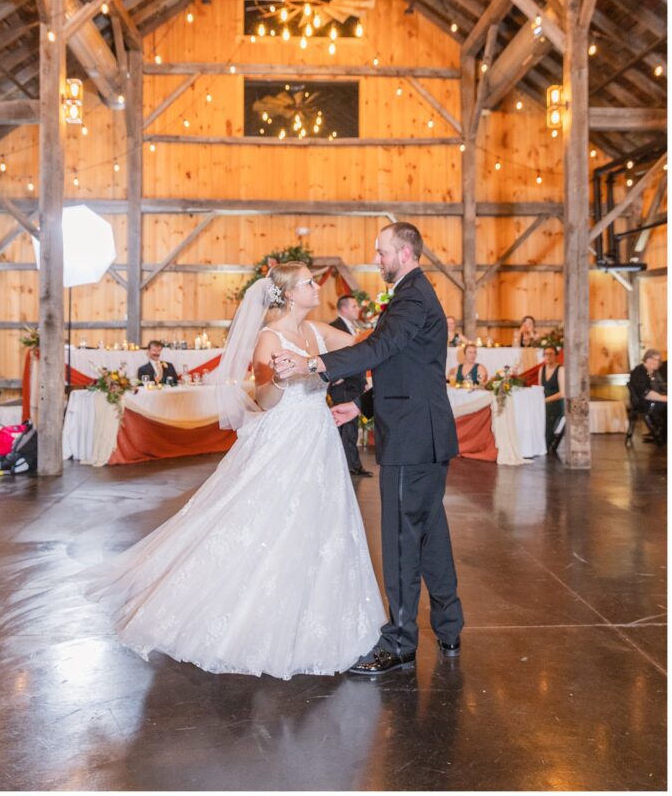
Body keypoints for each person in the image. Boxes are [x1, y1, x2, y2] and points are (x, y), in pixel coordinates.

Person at [78, 263, 385, 679]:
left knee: (320, 523)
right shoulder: (268, 339)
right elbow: (265, 399)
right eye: (310, 282)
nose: (317, 287)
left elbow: (365, 348)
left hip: (319, 438)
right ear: (290, 294)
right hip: (284, 439)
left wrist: (386, 325)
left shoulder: (318, 332)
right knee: (267, 523)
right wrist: (278, 376)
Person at [274, 222, 464, 676]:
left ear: (404, 252)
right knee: (430, 531)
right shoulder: (413, 294)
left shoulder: (413, 295)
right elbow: (407, 368)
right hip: (423, 432)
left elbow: (382, 346)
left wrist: (314, 364)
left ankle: (398, 642)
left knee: (401, 539)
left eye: (381, 253)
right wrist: (359, 404)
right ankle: (449, 624)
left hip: (413, 438)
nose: (376, 260)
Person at [328, 295, 373, 477]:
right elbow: (330, 354)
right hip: (343, 383)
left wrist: (362, 381)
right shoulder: (334, 327)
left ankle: (348, 464)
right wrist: (335, 376)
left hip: (354, 382)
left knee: (350, 426)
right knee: (347, 426)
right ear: (344, 309)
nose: (357, 309)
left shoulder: (354, 328)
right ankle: (349, 465)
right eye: (354, 306)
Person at [629, 349, 667, 445]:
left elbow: (662, 387)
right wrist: (664, 398)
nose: (656, 362)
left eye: (658, 360)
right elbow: (645, 393)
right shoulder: (640, 371)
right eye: (654, 359)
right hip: (643, 403)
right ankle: (662, 435)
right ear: (647, 359)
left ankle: (663, 434)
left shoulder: (654, 372)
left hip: (655, 400)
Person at [540, 345, 565, 454]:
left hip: (556, 402)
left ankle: (546, 442)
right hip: (544, 400)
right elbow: (540, 388)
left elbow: (563, 393)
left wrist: (546, 400)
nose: (548, 356)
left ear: (556, 356)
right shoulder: (542, 369)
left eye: (551, 354)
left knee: (547, 410)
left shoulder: (561, 369)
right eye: (546, 354)